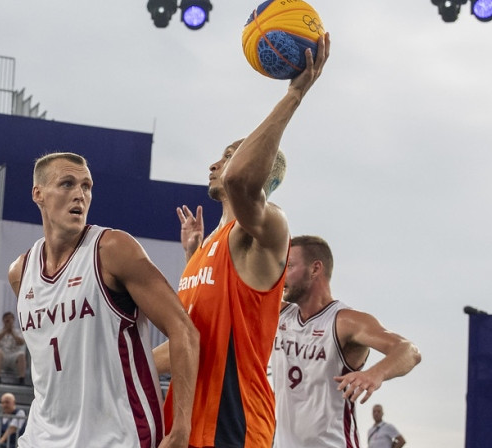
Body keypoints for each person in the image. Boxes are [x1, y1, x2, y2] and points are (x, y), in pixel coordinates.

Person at [154, 34, 330, 448]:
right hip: (187, 424)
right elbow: (192, 342)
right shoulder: (205, 251)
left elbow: (239, 180)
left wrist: (295, 94)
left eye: (230, 154)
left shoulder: (271, 230)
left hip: (234, 424)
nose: (216, 164)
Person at [7, 152, 199, 447]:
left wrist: (182, 429)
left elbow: (184, 330)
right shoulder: (20, 272)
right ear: (38, 194)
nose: (79, 195)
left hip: (116, 436)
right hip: (41, 436)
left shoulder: (112, 249)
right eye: (67, 184)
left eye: (86, 186)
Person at [270, 236, 421, 447]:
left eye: (290, 266)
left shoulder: (344, 321)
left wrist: (375, 374)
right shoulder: (279, 313)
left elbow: (409, 350)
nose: (282, 275)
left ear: (315, 269)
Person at [0, 312, 26, 384]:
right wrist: (5, 331)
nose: (8, 321)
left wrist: (12, 333)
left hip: (13, 355)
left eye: (10, 319)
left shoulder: (18, 332)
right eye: (7, 320)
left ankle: (22, 378)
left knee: (21, 355)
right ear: (3, 321)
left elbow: (21, 342)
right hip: (3, 355)